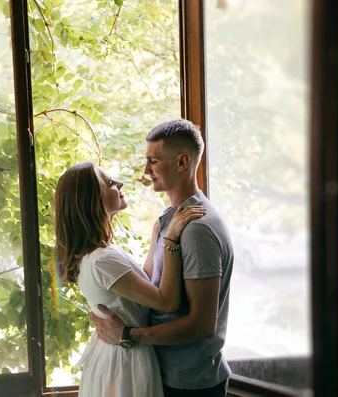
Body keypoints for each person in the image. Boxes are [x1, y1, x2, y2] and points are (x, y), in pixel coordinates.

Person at [90, 119, 234, 397]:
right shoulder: (168, 222)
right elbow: (151, 292)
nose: (146, 170)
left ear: (182, 162)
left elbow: (203, 325)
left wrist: (127, 336)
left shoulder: (197, 229)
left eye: (153, 161)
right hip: (165, 376)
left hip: (190, 384)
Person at [54, 161, 206, 397]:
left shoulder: (99, 253)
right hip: (125, 361)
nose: (120, 183)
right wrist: (170, 241)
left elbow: (142, 281)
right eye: (110, 183)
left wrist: (158, 231)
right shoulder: (101, 259)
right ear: (91, 200)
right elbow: (167, 302)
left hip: (117, 355)